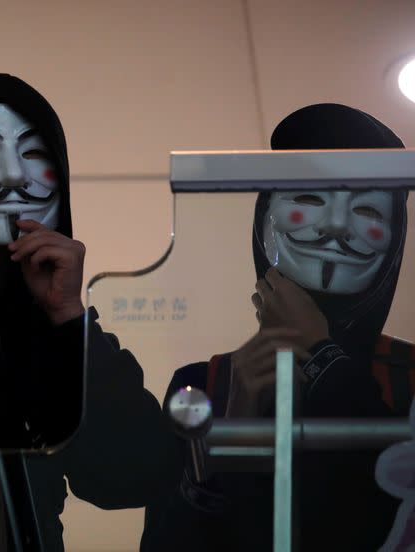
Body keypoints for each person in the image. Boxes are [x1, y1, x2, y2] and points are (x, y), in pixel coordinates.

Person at [146, 103, 415, 551]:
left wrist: (323, 356)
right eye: (308, 199)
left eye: (368, 210)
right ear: (262, 217)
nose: (334, 226)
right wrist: (229, 434)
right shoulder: (204, 386)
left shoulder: (410, 378)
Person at [0, 73, 182, 550]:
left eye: (34, 153)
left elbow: (135, 477)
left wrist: (69, 319)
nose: (13, 174)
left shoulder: (55, 334)